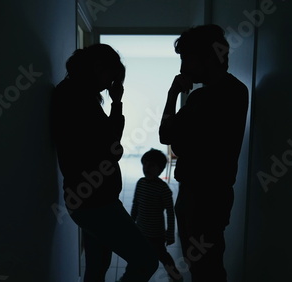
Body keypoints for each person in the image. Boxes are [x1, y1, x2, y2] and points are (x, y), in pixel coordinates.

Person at [51, 43, 158, 282]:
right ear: (97, 68)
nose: (111, 83)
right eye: (111, 76)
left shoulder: (75, 94)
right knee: (146, 260)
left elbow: (107, 142)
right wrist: (113, 150)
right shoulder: (75, 97)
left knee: (97, 267)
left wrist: (116, 104)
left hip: (91, 198)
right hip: (95, 202)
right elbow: (110, 146)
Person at [159, 25, 249, 282]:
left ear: (208, 58)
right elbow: (173, 140)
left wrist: (173, 93)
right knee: (203, 265)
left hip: (203, 198)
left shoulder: (208, 98)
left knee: (205, 268)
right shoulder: (234, 91)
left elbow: (168, 137)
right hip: (204, 195)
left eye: (186, 59)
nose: (182, 68)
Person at [129, 148, 183, 282]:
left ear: (160, 169)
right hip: (140, 231)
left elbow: (170, 213)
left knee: (163, 256)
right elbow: (135, 204)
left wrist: (170, 233)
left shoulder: (163, 189)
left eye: (151, 165)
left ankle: (175, 276)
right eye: (145, 164)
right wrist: (130, 224)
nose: (146, 167)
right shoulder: (140, 183)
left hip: (156, 235)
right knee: (138, 257)